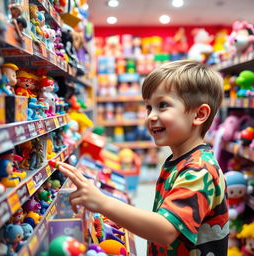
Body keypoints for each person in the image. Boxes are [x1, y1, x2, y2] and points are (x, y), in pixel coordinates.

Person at [57, 60, 229, 256]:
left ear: (199, 114)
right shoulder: (180, 160)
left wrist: (103, 203)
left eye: (162, 105)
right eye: (149, 107)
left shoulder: (199, 170)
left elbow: (165, 230)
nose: (151, 117)